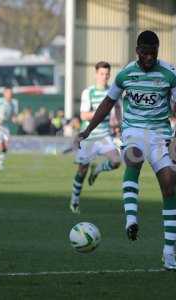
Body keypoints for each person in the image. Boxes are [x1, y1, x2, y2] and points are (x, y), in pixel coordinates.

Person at [74, 31, 176, 271]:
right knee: (133, 157)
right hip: (133, 130)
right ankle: (131, 219)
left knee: (170, 181)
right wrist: (87, 130)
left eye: (153, 53)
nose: (149, 57)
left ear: (157, 50)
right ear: (137, 51)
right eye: (145, 53)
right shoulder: (126, 74)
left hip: (160, 135)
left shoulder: (170, 74)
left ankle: (168, 252)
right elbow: (107, 103)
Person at [70, 61, 122, 214]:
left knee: (116, 161)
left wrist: (119, 123)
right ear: (96, 74)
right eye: (101, 74)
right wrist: (101, 112)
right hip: (89, 136)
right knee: (82, 170)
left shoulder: (113, 91)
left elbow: (118, 108)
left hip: (105, 135)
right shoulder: (89, 92)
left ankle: (98, 169)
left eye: (107, 74)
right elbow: (84, 115)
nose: (104, 77)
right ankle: (74, 201)